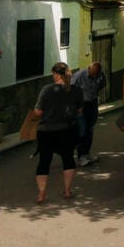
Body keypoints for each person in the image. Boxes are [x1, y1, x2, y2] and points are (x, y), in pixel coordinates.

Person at [31, 62, 83, 202]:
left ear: (56, 74)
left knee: (44, 161)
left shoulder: (46, 89)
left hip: (46, 131)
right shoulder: (76, 90)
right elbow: (79, 110)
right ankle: (67, 191)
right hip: (67, 130)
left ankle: (41, 194)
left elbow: (38, 111)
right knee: (68, 158)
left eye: (53, 74)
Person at [70, 61, 107, 167]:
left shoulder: (100, 75)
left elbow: (103, 84)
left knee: (90, 129)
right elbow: (70, 89)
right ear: (89, 69)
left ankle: (86, 154)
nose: (94, 75)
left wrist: (94, 92)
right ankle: (80, 156)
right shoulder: (79, 75)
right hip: (81, 105)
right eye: (93, 73)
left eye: (97, 74)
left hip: (93, 103)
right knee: (82, 130)